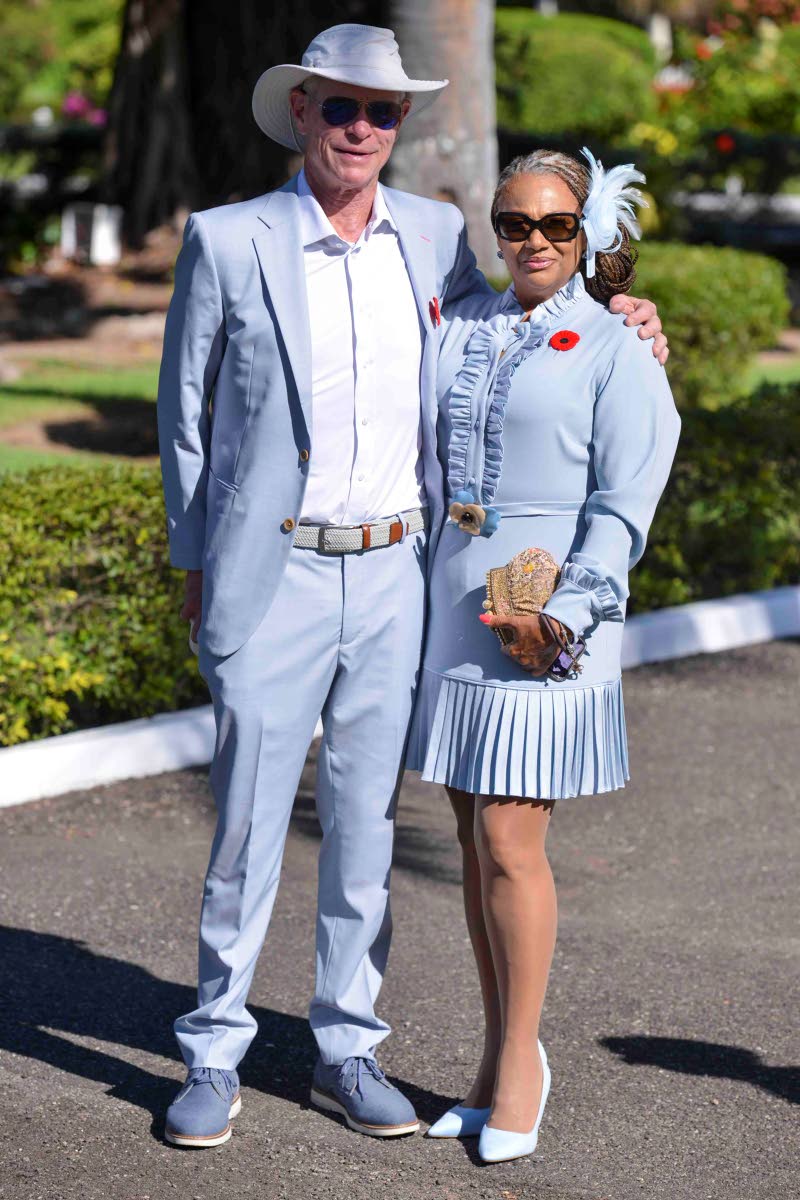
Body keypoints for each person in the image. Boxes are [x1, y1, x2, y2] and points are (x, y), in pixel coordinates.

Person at [157, 24, 668, 1149]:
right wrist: (195, 563)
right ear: (300, 110)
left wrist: (626, 311)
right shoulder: (228, 239)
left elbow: (528, 326)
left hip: (401, 576)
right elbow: (183, 416)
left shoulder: (435, 237)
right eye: (339, 106)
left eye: (381, 111)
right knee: (245, 826)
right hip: (276, 573)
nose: (359, 127)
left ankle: (347, 1046)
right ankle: (213, 1050)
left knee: (365, 829)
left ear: (399, 125)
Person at [408, 148, 681, 1163]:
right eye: (513, 223)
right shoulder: (461, 323)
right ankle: (489, 1062)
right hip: (452, 608)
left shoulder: (616, 344)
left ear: (587, 234)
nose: (532, 241)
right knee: (474, 843)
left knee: (511, 842)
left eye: (555, 225)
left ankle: (523, 1064)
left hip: (551, 615)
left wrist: (564, 614)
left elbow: (624, 500)